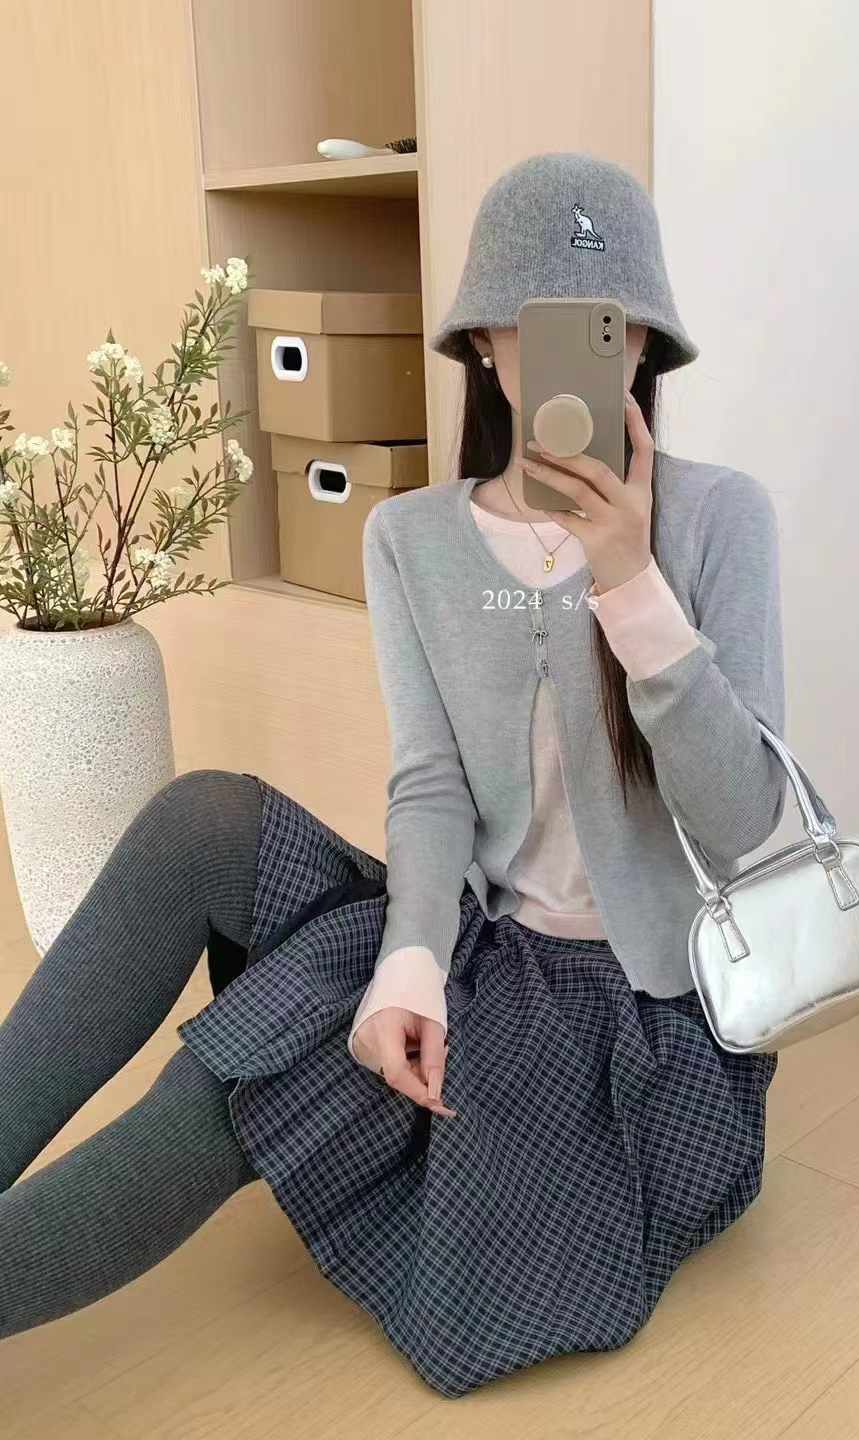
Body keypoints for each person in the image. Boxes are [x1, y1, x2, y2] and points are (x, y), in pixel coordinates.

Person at [0, 151, 787, 1399]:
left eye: (612, 327)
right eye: (540, 327)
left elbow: (747, 828)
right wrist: (410, 957)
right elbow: (431, 787)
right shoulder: (409, 537)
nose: (579, 358)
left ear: (644, 347)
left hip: (633, 1014)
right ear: (485, 343)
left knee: (243, 1075)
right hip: (476, 932)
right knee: (206, 820)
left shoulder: (718, 520)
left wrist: (631, 583)